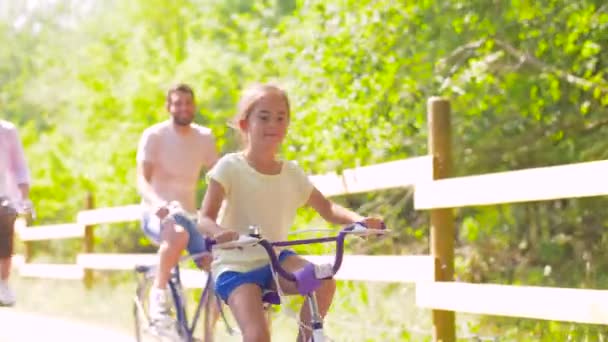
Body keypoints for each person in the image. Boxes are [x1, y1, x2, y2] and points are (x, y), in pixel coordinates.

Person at [198, 83, 384, 342]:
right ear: (244, 125)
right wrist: (219, 233)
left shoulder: (292, 173)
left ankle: (305, 338)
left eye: (280, 117)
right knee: (257, 335)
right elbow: (204, 218)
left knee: (323, 280)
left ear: (287, 125)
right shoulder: (230, 167)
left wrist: (359, 222)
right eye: (264, 117)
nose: (273, 123)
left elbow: (327, 208)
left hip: (276, 259)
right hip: (235, 265)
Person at [136, 83, 219, 334]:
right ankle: (158, 301)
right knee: (177, 233)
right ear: (169, 107)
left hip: (190, 218)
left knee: (219, 267)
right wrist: (156, 203)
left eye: (188, 102)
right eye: (177, 103)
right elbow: (141, 180)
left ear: (194, 105)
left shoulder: (204, 137)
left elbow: (219, 179)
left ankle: (208, 334)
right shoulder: (155, 135)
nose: (183, 107)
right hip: (157, 214)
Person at [0, 119, 33, 307]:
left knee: (5, 237)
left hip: (4, 195)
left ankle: (3, 283)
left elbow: (19, 166)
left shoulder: (7, 131)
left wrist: (23, 196)